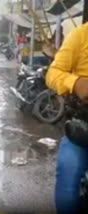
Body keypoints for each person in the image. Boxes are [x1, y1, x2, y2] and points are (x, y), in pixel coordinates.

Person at [46, 23, 88, 214]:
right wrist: (75, 82)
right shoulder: (80, 35)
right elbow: (52, 74)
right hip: (83, 128)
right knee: (68, 176)